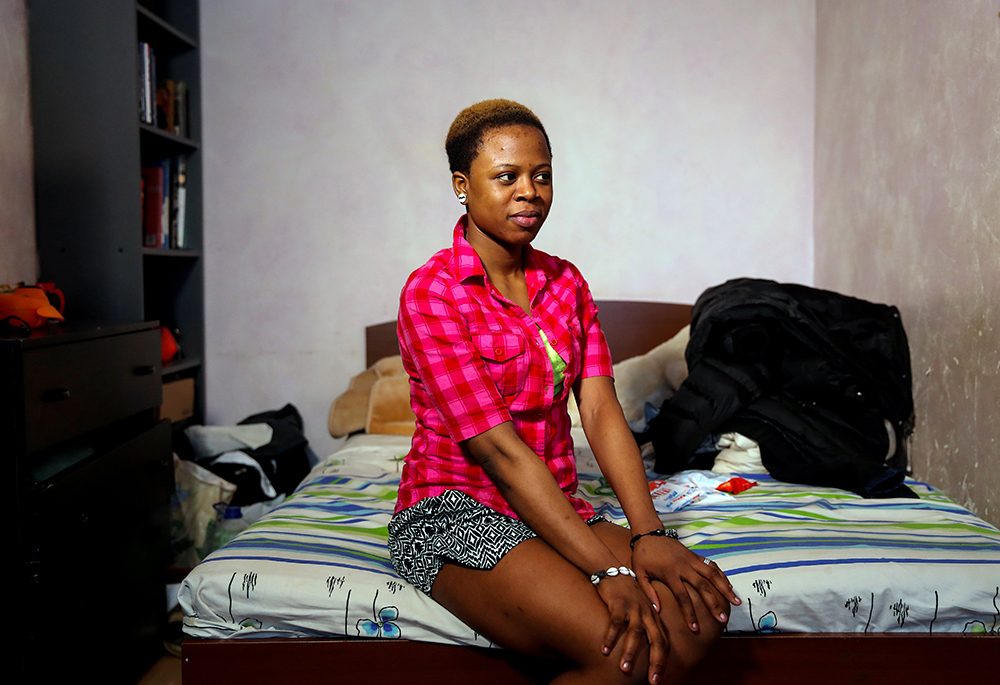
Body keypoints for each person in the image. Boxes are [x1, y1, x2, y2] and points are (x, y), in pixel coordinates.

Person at [388, 99, 740, 685]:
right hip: (452, 511)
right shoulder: (434, 293)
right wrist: (609, 571)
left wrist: (648, 533)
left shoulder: (565, 283)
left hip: (554, 504)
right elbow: (498, 452)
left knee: (698, 622)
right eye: (506, 177)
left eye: (541, 175)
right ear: (461, 185)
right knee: (621, 656)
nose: (529, 191)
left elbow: (601, 412)